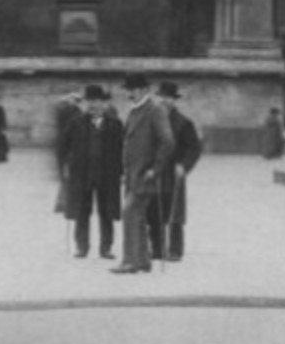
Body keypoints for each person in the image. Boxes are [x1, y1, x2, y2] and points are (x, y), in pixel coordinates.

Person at [113, 74, 173, 276]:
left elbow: (167, 142)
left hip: (145, 175)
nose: (129, 94)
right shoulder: (135, 111)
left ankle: (130, 261)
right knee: (136, 217)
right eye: (128, 90)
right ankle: (142, 262)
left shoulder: (155, 110)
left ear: (144, 90)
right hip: (132, 175)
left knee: (130, 213)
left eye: (133, 89)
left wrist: (155, 169)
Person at [58, 84, 123, 260]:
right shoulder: (75, 123)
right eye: (89, 101)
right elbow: (62, 147)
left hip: (107, 176)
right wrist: (64, 169)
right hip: (82, 175)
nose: (92, 105)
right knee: (81, 211)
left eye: (96, 101)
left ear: (104, 103)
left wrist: (121, 172)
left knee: (107, 212)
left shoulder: (115, 125)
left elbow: (122, 150)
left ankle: (106, 248)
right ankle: (81, 246)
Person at [150, 81, 202, 262]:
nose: (165, 101)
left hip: (174, 173)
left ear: (174, 100)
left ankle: (175, 250)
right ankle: (156, 248)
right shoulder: (151, 120)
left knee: (174, 211)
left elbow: (194, 148)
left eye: (169, 98)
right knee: (155, 209)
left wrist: (184, 165)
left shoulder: (184, 123)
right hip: (155, 171)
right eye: (162, 97)